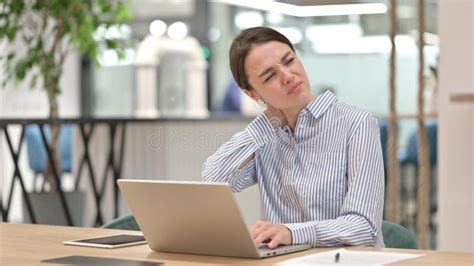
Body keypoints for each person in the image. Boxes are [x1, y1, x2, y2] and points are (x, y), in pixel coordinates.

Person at [202, 27, 385, 248]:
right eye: (270, 76)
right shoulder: (265, 137)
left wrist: (292, 232)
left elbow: (364, 227)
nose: (287, 76)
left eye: (289, 61)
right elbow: (213, 181)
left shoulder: (357, 124)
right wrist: (266, 123)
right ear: (253, 94)